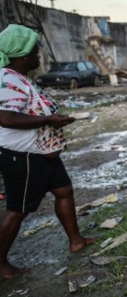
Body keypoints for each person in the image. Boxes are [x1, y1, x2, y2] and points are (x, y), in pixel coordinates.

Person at [0, 24, 95, 279]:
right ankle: (0, 263)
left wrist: (52, 119)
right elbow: (5, 117)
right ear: (22, 55)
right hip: (23, 155)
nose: (39, 53)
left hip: (43, 152)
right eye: (35, 49)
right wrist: (49, 121)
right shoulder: (7, 79)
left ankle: (75, 240)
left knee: (64, 191)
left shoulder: (20, 79)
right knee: (17, 209)